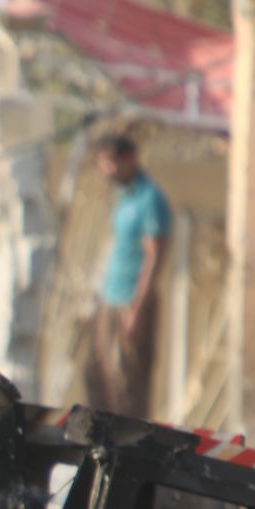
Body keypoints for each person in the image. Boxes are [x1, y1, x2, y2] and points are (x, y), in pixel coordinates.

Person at [84, 135, 170, 420]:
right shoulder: (124, 198)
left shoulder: (150, 198)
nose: (107, 170)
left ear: (129, 158)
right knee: (97, 375)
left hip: (130, 301)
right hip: (109, 298)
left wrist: (137, 309)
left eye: (111, 162)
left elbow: (154, 256)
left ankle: (129, 456)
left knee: (127, 386)